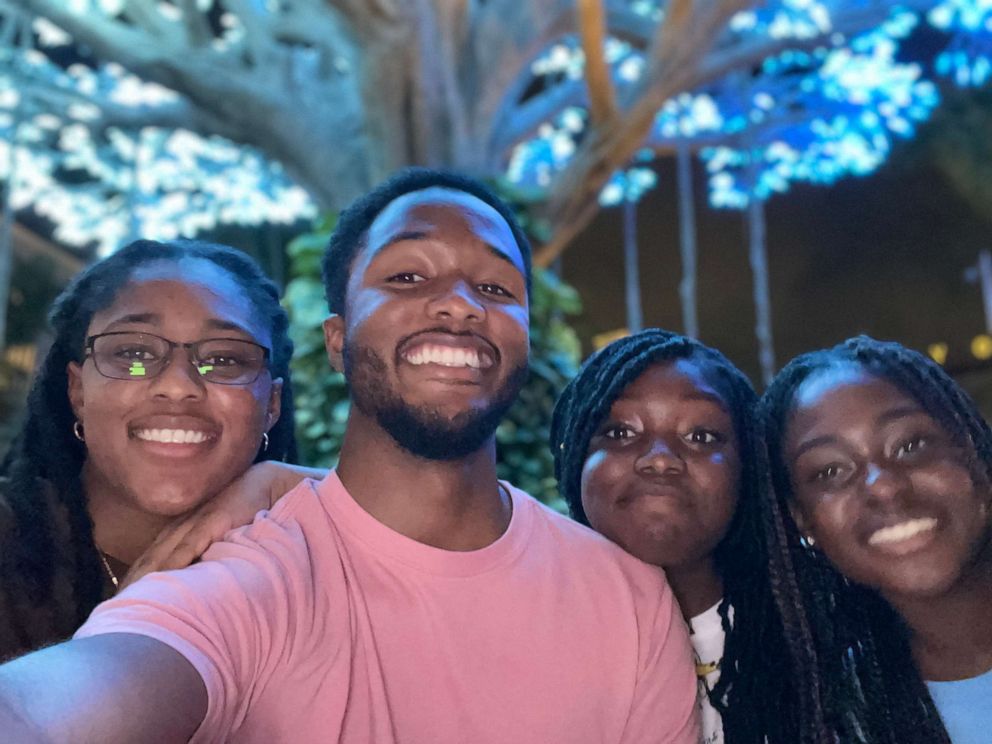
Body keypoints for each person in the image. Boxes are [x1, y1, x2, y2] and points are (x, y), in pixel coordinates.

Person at [0, 169, 699, 743]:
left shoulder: (627, 596)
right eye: (405, 278)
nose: (458, 306)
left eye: (494, 287)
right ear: (336, 339)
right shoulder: (242, 577)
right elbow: (53, 707)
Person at [0, 238, 302, 660]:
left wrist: (290, 485)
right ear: (77, 391)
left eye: (223, 360)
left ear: (270, 405)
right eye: (134, 353)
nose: (178, 386)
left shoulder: (305, 558)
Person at [550, 329, 800, 744]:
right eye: (620, 432)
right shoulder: (520, 622)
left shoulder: (814, 634)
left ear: (748, 469)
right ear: (576, 458)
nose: (660, 460)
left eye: (701, 436)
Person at [759, 335, 992, 744]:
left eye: (910, 445)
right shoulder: (838, 721)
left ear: (972, 453)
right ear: (803, 524)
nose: (883, 487)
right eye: (830, 471)